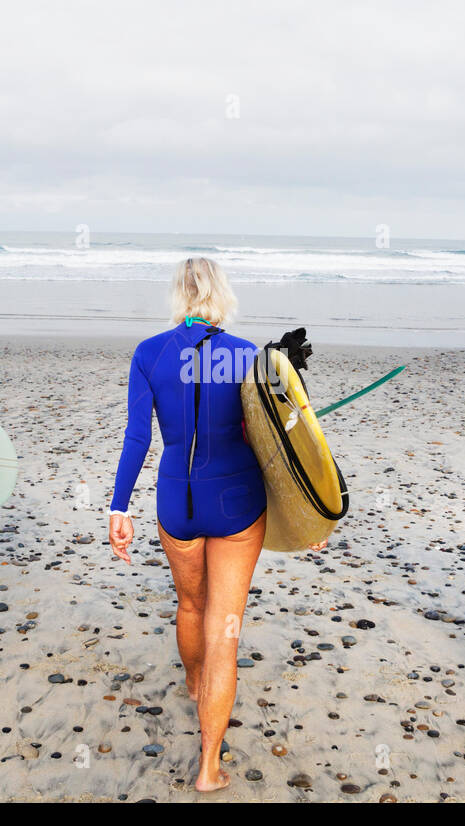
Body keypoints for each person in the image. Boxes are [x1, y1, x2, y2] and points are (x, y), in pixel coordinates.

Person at [109, 257, 313, 792]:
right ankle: (208, 768)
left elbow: (137, 439)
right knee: (224, 631)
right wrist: (307, 513)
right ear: (222, 294)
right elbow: (286, 443)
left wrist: (118, 508)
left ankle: (196, 686)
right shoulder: (248, 356)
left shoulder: (149, 353)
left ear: (178, 295)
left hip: (177, 500)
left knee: (190, 605)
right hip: (236, 503)